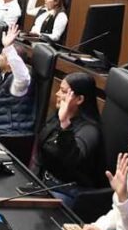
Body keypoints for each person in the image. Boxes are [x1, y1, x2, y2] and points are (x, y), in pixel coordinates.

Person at [32, 72, 103, 206]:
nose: (57, 94)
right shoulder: (58, 117)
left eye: (63, 91)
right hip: (45, 182)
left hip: (68, 192)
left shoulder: (90, 130)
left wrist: (64, 124)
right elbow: (41, 149)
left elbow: (72, 161)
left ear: (79, 99)